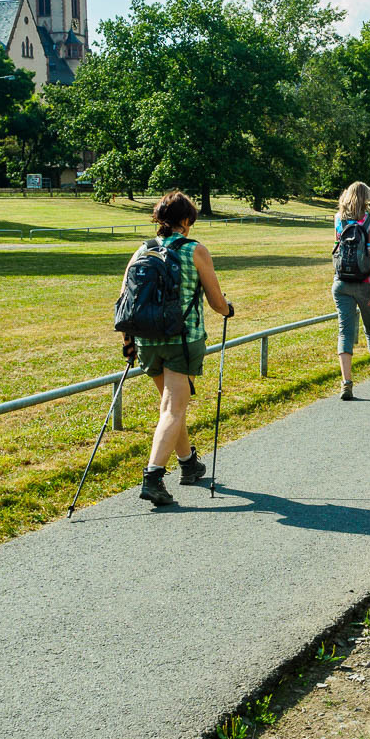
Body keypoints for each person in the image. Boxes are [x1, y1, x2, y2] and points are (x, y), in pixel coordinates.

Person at [126, 190, 233, 507]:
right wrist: (229, 309)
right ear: (186, 221)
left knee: (170, 406)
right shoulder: (195, 250)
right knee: (174, 408)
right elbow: (216, 303)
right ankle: (153, 477)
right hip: (182, 340)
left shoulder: (142, 250)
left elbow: (126, 298)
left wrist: (129, 341)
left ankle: (188, 463)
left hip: (146, 340)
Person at [332, 181, 370, 401]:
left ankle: (346, 382)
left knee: (344, 331)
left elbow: (337, 249)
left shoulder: (338, 218)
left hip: (341, 281)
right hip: (364, 282)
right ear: (367, 198)